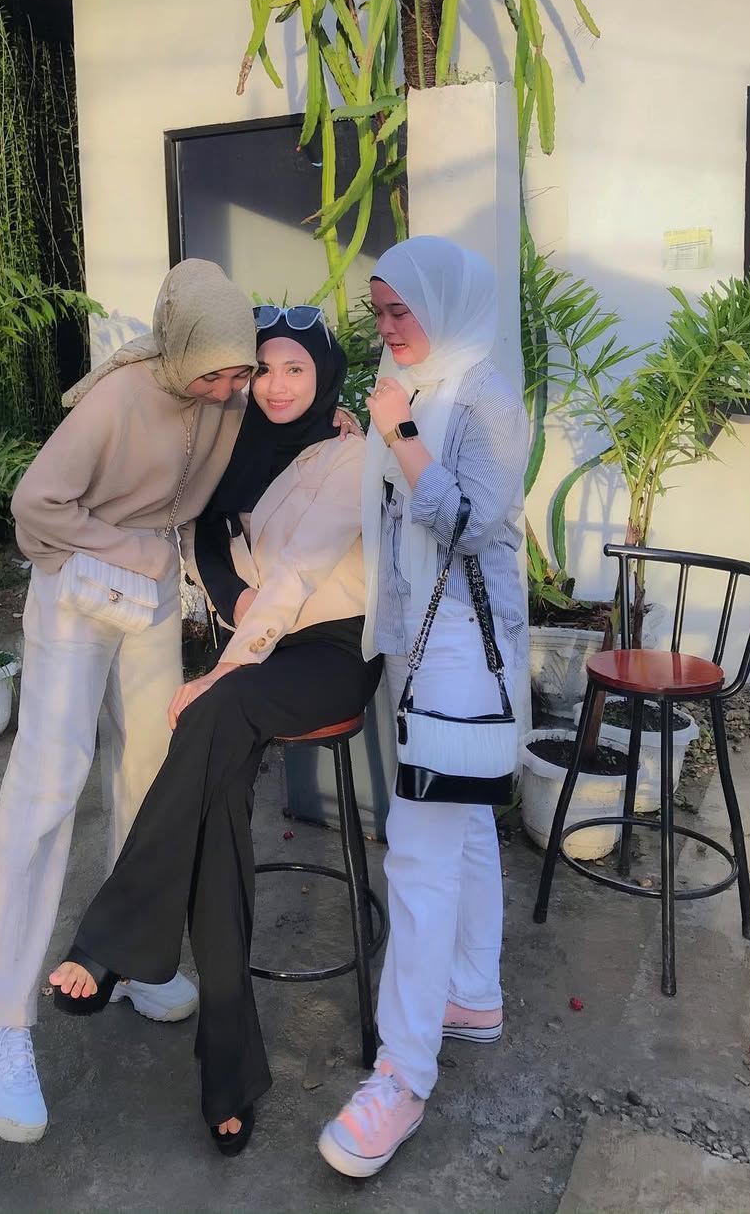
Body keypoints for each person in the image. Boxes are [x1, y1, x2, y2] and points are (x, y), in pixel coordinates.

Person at [47, 307, 381, 1155]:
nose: (276, 386)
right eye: (263, 368)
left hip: (328, 654)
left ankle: (116, 938)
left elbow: (295, 574)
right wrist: (233, 620)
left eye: (297, 369)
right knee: (217, 800)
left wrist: (226, 668)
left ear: (325, 376)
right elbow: (204, 537)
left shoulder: (350, 453)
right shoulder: (236, 442)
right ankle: (227, 1074)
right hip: (257, 652)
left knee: (212, 710)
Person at [0, 259, 259, 1143]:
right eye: (218, 371)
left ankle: (127, 950)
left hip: (149, 592)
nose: (231, 388)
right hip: (79, 589)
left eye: (240, 370)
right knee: (48, 786)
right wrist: (130, 548)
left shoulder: (229, 397)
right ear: (181, 346)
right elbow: (33, 504)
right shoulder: (117, 401)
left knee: (152, 770)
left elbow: (281, 395)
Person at [317, 237, 529, 1179]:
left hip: (463, 645)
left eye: (401, 310)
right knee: (464, 821)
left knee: (417, 847)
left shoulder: (480, 396)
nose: (388, 328)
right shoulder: (412, 383)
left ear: (444, 302)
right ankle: (472, 992)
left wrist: (400, 435)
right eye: (379, 312)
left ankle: (403, 1073)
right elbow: (396, 508)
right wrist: (369, 434)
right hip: (418, 634)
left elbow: (475, 523)